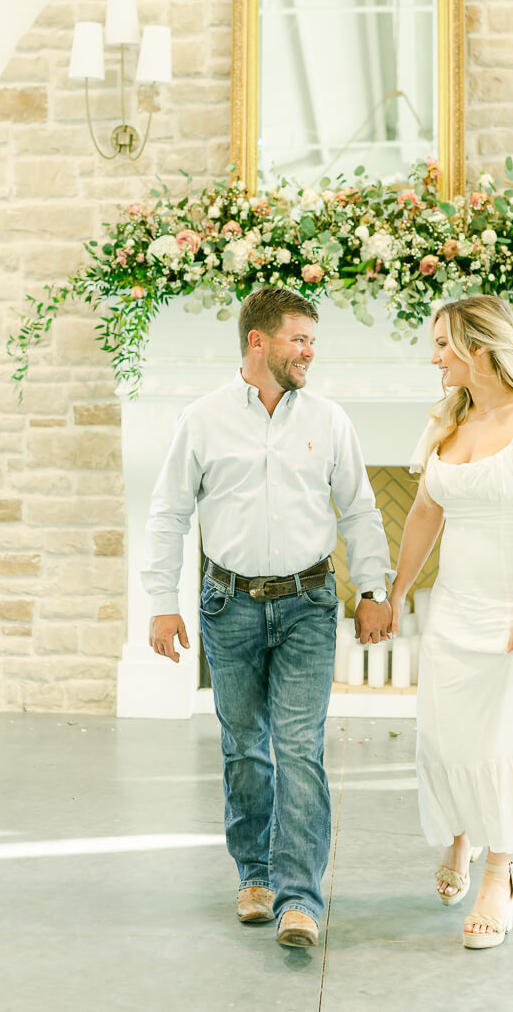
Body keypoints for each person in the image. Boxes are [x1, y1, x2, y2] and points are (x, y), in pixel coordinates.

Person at [142, 286, 393, 948]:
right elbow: (169, 512)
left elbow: (362, 510)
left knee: (298, 749)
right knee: (244, 750)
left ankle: (300, 899)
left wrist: (373, 589)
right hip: (228, 605)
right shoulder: (200, 419)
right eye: (299, 339)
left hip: (309, 604)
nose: (310, 351)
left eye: (313, 340)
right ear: (259, 342)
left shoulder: (330, 421)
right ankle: (253, 875)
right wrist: (162, 602)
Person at [390, 295, 513, 950]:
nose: (434, 356)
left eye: (443, 344)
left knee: (508, 744)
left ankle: (499, 875)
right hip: (453, 608)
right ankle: (461, 835)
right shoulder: (447, 423)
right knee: (445, 739)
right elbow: (424, 514)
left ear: (479, 347)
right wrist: (396, 592)